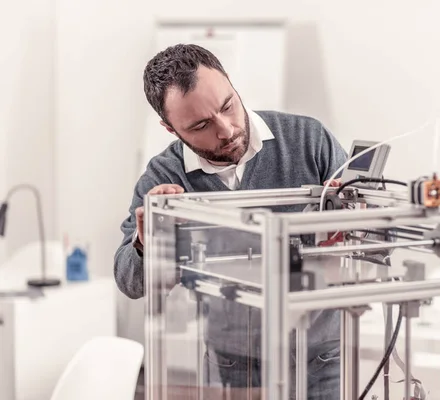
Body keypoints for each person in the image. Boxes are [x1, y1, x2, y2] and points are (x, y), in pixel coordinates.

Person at [113, 44, 348, 398]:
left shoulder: (308, 139)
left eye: (227, 105)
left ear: (232, 84)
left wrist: (348, 214)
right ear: (169, 127)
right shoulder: (164, 174)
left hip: (321, 358)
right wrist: (148, 244)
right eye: (201, 125)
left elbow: (371, 232)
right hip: (234, 366)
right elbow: (129, 281)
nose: (226, 130)